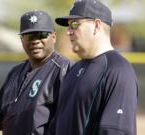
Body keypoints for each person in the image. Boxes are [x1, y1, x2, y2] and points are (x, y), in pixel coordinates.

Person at [0, 10, 73, 135]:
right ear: (21, 39)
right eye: (29, 36)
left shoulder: (65, 69)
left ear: (54, 36)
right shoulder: (15, 72)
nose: (35, 40)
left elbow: (72, 121)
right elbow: (3, 117)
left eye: (41, 34)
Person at [54, 0, 138, 135]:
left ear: (96, 26)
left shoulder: (118, 70)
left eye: (75, 25)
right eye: (68, 26)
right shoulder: (74, 70)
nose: (68, 32)